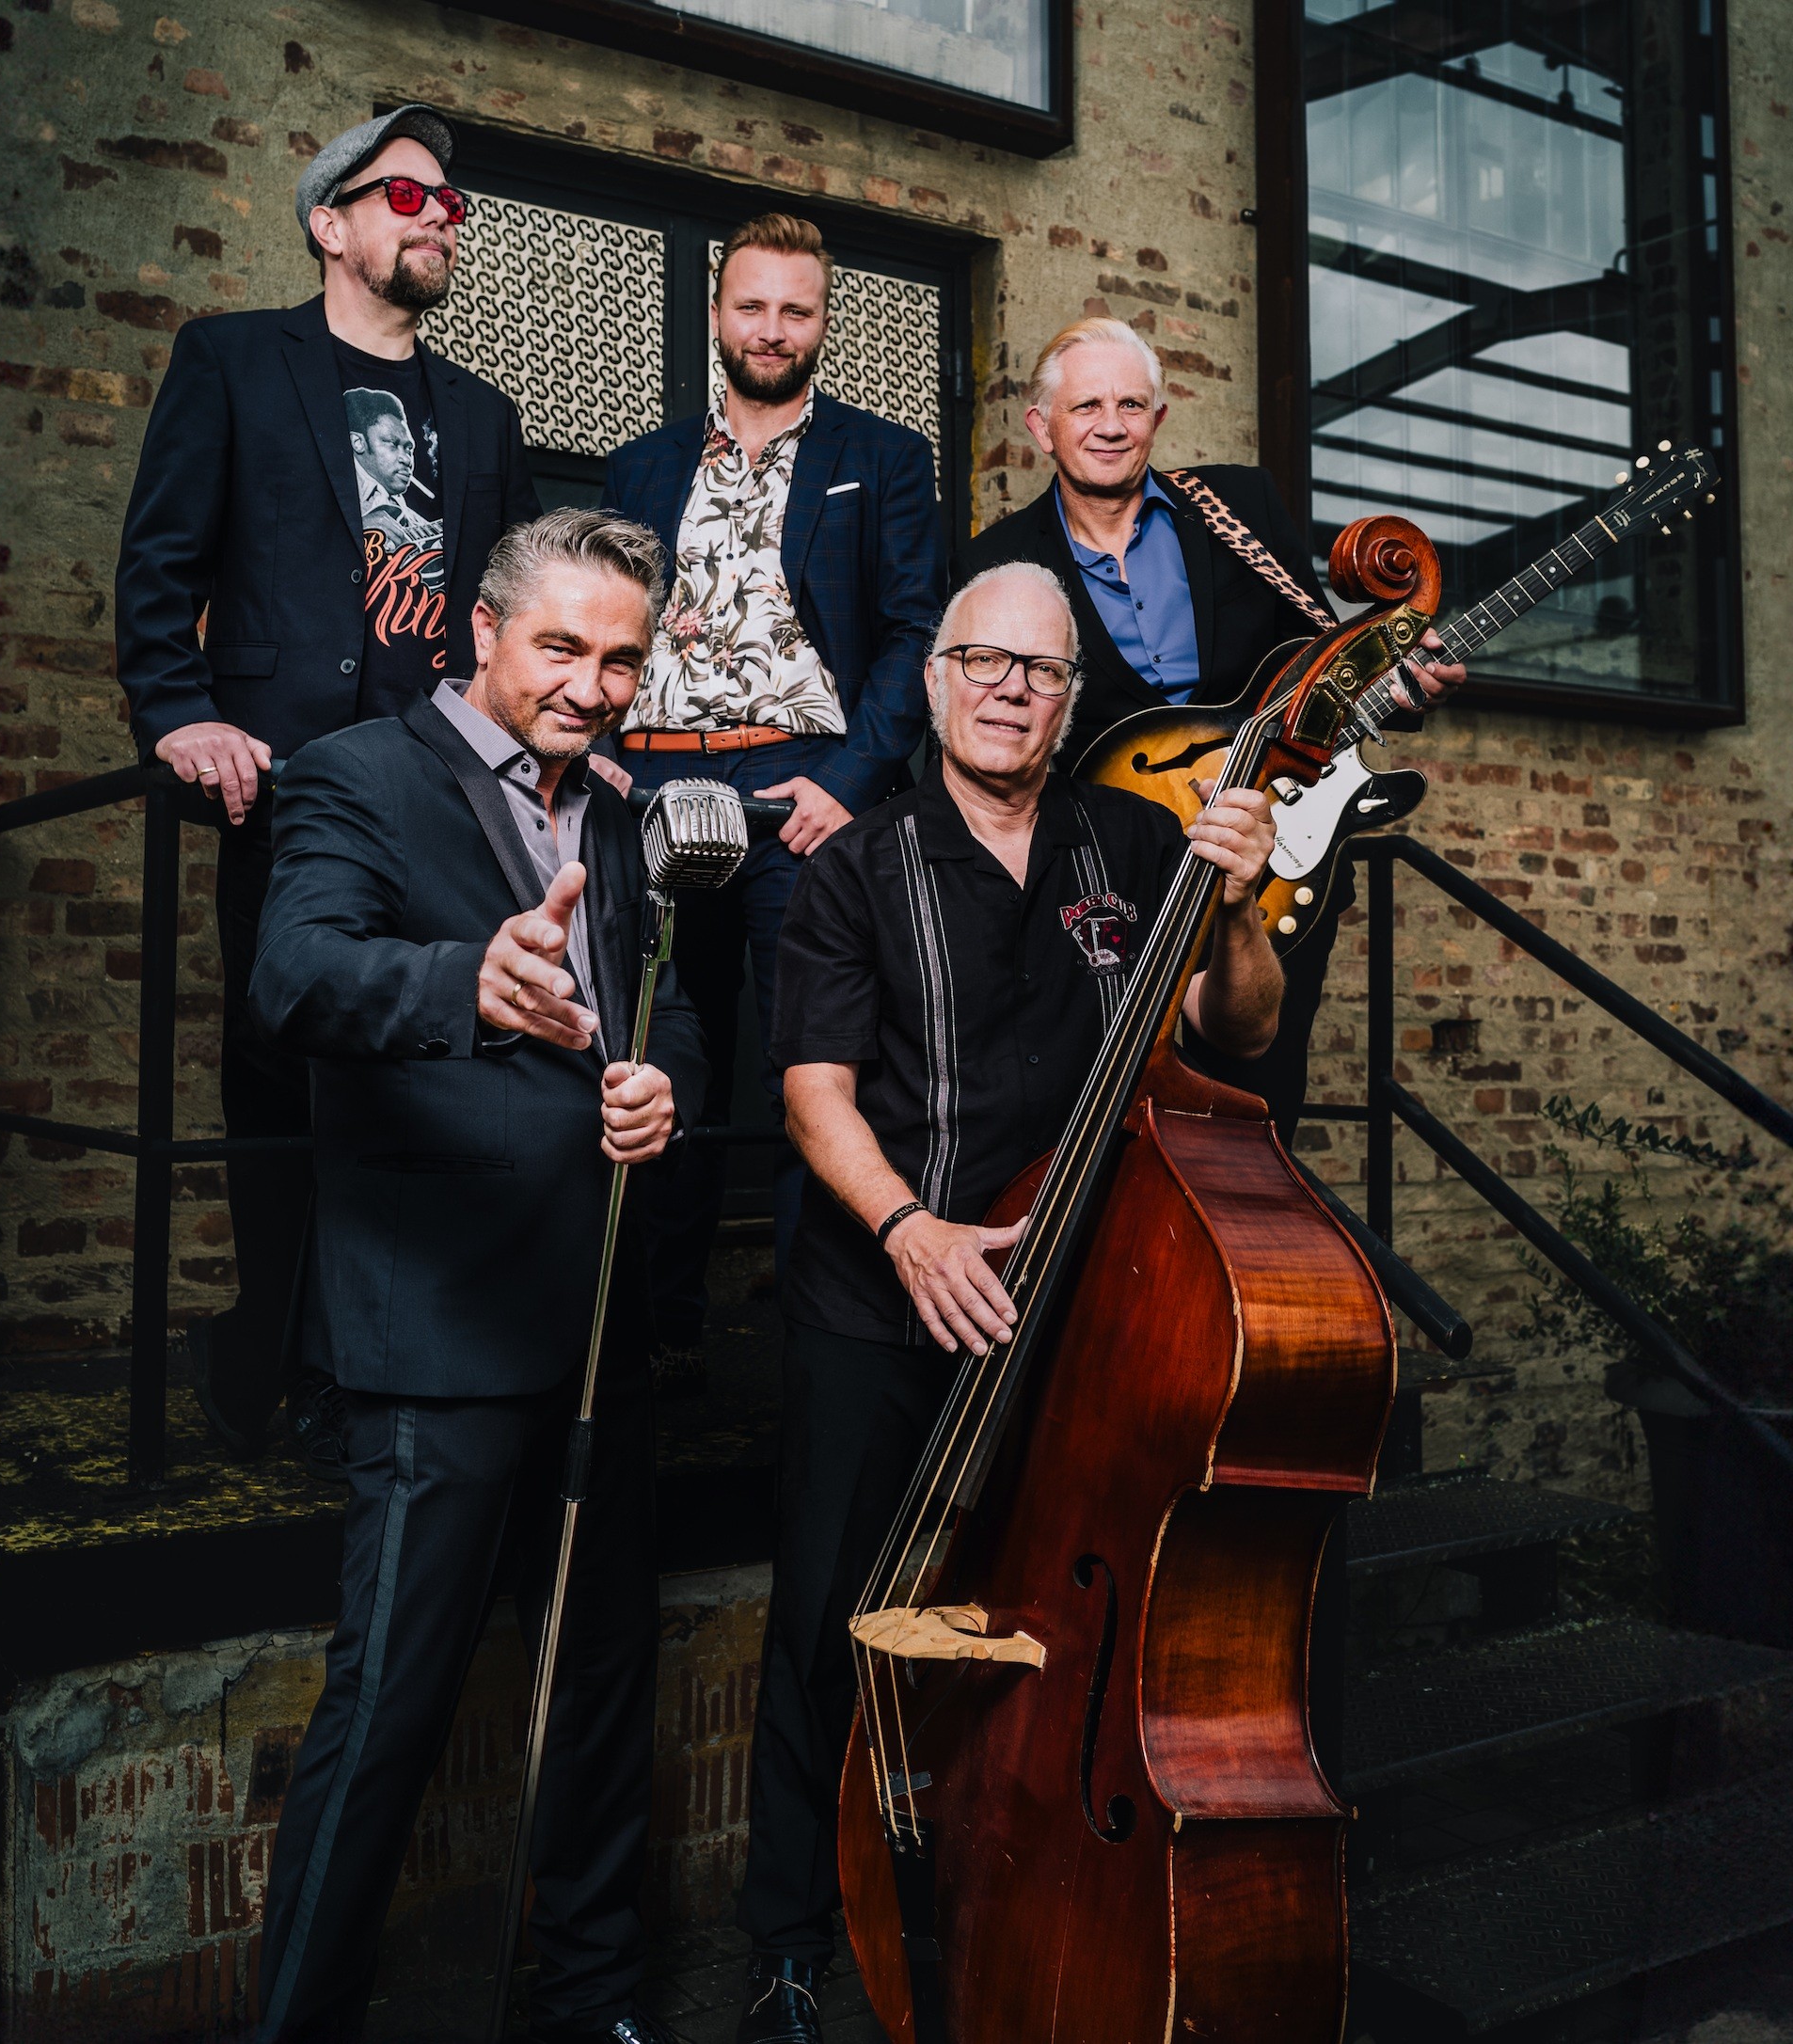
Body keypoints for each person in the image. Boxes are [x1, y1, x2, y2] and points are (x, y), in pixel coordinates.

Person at [732, 560, 1282, 2042]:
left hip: (1083, 1311)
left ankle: (1018, 1905)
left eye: (1038, 670)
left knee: (1053, 1624)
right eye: (981, 659)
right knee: (830, 1625)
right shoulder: (858, 864)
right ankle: (788, 1944)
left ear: (1072, 699)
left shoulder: (1139, 842)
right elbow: (814, 1092)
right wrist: (909, 1230)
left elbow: (1235, 1031)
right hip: (883, 1299)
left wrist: (1240, 911)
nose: (1007, 689)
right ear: (934, 680)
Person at [246, 511, 706, 2044]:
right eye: (562, 646)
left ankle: (591, 2003)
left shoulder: (618, 817)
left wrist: (664, 1083)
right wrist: (467, 982)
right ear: (483, 634)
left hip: (598, 1327)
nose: (591, 683)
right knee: (388, 1716)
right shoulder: (356, 774)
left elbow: (668, 1006)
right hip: (434, 1330)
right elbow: (295, 972)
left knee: (597, 1699)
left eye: (621, 659)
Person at [114, 102, 542, 1474]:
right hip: (289, 784)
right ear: (329, 222)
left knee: (427, 1070)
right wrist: (180, 715)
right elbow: (161, 562)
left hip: (442, 787)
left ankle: (390, 1356)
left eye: (447, 203)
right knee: (282, 1068)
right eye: (403, 195)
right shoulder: (234, 360)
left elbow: (507, 611)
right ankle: (284, 1363)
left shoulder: (484, 414)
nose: (436, 217)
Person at [959, 316, 1467, 1133]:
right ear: (1041, 427)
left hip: (1268, 856)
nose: (1112, 424)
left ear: (1158, 418)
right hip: (1101, 882)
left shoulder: (1241, 506)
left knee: (1256, 1112)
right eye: (1087, 405)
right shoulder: (997, 562)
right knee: (1100, 1116)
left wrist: (1403, 690)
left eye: (1131, 404)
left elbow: (1314, 670)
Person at [600, 212, 945, 1386]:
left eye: (797, 309)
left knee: (814, 1061)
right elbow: (606, 621)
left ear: (824, 322)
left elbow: (913, 632)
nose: (772, 328)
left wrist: (850, 781)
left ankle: (818, 1344)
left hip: (800, 786)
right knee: (655, 1052)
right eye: (751, 306)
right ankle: (656, 1330)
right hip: (653, 780)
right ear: (716, 314)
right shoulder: (641, 467)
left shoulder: (882, 456)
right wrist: (602, 750)